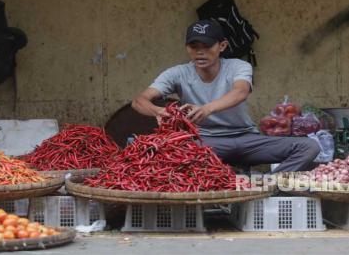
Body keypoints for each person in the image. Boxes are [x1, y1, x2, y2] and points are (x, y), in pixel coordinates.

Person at [132, 19, 320, 173]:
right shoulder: (177, 73)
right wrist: (159, 112)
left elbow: (240, 91)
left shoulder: (238, 66)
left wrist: (207, 108)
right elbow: (139, 101)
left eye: (207, 45)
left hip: (247, 139)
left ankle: (268, 185)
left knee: (309, 147)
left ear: (222, 46)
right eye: (193, 45)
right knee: (162, 150)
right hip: (206, 143)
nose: (200, 51)